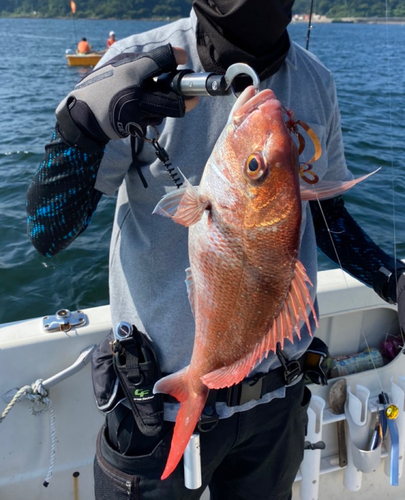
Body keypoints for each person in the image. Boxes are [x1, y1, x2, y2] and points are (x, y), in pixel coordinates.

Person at [26, 1, 405, 499]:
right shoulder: (135, 68)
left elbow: (327, 220)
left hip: (277, 398)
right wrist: (84, 127)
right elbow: (47, 232)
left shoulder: (315, 82)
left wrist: (392, 279)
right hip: (156, 408)